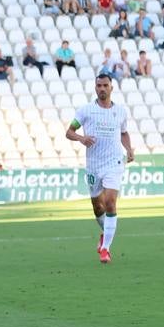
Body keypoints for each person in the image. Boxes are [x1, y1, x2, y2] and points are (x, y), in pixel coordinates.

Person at [65, 73, 134, 265]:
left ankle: (105, 250)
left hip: (114, 163)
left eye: (105, 85)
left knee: (111, 202)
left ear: (112, 87)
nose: (102, 88)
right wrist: (81, 138)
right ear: (95, 88)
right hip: (94, 164)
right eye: (99, 86)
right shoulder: (86, 111)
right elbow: (69, 132)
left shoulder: (120, 111)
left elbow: (124, 132)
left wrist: (129, 149)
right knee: (98, 207)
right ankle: (105, 234)